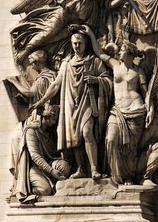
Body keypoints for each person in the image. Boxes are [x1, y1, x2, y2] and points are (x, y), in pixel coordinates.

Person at [30, 30, 113, 180]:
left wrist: (96, 80)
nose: (77, 46)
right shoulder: (66, 64)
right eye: (74, 43)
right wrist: (41, 101)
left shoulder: (94, 61)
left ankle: (94, 168)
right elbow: (55, 85)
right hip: (70, 103)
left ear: (86, 43)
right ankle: (81, 168)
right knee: (74, 138)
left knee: (87, 132)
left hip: (87, 102)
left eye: (80, 43)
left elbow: (108, 80)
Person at [83, 25, 154, 185]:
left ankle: (128, 176)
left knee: (129, 148)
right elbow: (100, 53)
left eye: (122, 50)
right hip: (117, 111)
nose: (119, 52)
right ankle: (117, 177)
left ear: (129, 53)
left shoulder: (139, 71)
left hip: (136, 111)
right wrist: (91, 33)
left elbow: (146, 92)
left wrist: (151, 109)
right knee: (110, 139)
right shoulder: (115, 66)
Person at [7, 50, 65, 198]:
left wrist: (14, 81)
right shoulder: (51, 76)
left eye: (33, 62)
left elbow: (30, 93)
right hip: (42, 115)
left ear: (40, 62)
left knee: (16, 138)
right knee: (18, 139)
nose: (32, 66)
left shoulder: (43, 78)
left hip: (40, 114)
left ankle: (19, 178)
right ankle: (20, 179)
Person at [14, 105, 70, 203]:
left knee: (64, 167)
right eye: (54, 118)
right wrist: (52, 171)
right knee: (45, 190)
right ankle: (27, 191)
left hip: (48, 163)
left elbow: (54, 154)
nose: (55, 121)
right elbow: (35, 156)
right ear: (47, 116)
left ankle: (56, 185)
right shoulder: (32, 130)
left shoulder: (51, 132)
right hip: (33, 168)